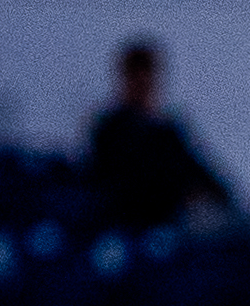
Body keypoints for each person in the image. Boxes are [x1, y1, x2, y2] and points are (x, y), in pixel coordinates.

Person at [82, 38, 232, 233]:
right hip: (136, 230)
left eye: (148, 78)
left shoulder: (168, 131)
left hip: (173, 225)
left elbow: (205, 176)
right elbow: (110, 182)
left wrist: (212, 195)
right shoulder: (111, 129)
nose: (143, 87)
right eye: (136, 78)